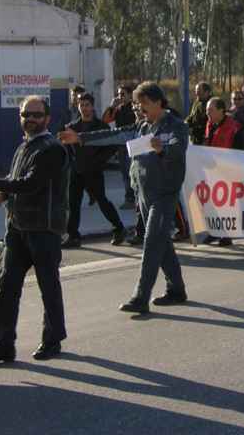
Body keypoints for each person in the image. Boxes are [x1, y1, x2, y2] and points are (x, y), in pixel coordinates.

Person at [59, 82, 189, 314]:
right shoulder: (141, 126)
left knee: (151, 242)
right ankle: (176, 289)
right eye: (138, 104)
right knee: (162, 243)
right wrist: (80, 137)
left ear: (158, 102)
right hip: (144, 194)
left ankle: (140, 297)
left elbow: (178, 154)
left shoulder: (176, 126)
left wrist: (163, 150)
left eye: (143, 103)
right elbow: (113, 135)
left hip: (164, 194)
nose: (139, 108)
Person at [0, 96, 70, 365]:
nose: (31, 119)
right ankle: (4, 345)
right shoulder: (23, 147)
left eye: (37, 115)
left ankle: (52, 340)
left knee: (48, 286)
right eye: (26, 114)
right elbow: (16, 180)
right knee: (7, 286)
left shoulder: (52, 149)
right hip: (17, 228)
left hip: (44, 229)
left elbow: (31, 183)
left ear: (47, 118)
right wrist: (2, 195)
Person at [62, 93, 127, 248]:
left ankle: (119, 229)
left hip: (94, 171)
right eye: (81, 105)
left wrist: (99, 161)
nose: (84, 108)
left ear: (92, 106)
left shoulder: (101, 127)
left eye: (87, 105)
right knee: (73, 204)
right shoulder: (71, 127)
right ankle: (73, 236)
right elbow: (67, 148)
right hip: (77, 171)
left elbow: (112, 146)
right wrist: (72, 163)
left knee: (102, 201)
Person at [201, 98, 244, 247]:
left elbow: (240, 150)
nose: (207, 113)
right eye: (207, 111)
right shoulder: (210, 124)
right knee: (211, 203)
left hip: (227, 171)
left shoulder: (234, 127)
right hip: (212, 170)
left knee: (226, 204)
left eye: (210, 110)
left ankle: (227, 235)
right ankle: (214, 231)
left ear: (221, 110)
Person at [103, 84, 137, 209]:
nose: (120, 97)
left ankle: (135, 197)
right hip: (121, 145)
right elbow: (105, 120)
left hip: (133, 143)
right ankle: (129, 198)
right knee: (125, 173)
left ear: (130, 95)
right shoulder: (118, 109)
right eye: (118, 94)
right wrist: (111, 106)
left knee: (133, 173)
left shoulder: (135, 107)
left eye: (123, 94)